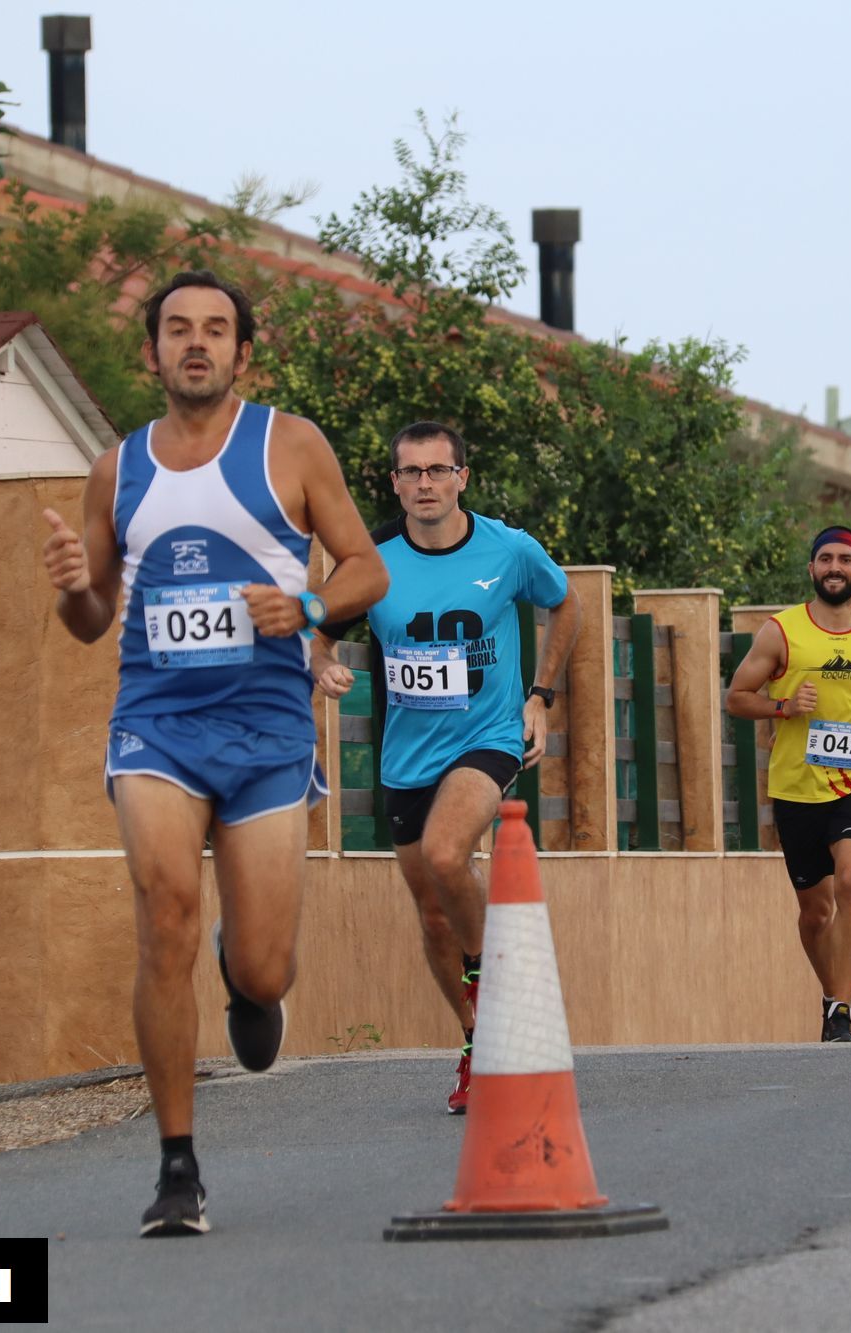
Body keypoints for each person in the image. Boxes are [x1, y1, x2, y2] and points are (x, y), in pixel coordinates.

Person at [41, 270, 390, 1236]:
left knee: (267, 971)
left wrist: (308, 605)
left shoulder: (290, 444)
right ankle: (176, 1166)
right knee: (164, 914)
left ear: (243, 352)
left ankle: (247, 974)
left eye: (215, 329)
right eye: (178, 329)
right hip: (156, 722)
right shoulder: (117, 468)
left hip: (269, 726)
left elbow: (368, 567)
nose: (196, 343)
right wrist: (72, 585)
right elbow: (91, 619)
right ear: (152, 351)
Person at [314, 421, 579, 1114]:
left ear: (462, 477)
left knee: (445, 851)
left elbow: (565, 602)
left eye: (438, 470)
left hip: (488, 736)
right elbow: (320, 629)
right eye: (411, 472)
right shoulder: (370, 560)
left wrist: (540, 695)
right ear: (395, 483)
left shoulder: (509, 549)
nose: (425, 483)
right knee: (432, 914)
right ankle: (476, 1042)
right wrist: (320, 664)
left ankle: (500, 995)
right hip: (407, 754)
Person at [725, 527, 851, 1042]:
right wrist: (783, 706)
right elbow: (737, 697)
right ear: (811, 569)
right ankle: (834, 996)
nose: (835, 567)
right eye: (825, 558)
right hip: (797, 787)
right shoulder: (781, 631)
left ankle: (841, 1010)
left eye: (845, 560)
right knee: (814, 912)